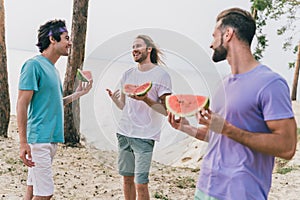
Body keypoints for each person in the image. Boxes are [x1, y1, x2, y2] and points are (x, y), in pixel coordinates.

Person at [168, 7, 297, 200]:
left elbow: (287, 147)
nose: (211, 44)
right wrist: (185, 127)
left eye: (214, 36)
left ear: (228, 34)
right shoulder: (223, 85)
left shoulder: (270, 83)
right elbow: (219, 137)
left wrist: (228, 129)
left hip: (240, 193)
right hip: (205, 189)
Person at [16, 19, 93, 200]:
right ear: (52, 39)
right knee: (45, 194)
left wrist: (78, 94)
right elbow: (22, 103)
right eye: (66, 38)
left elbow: (56, 102)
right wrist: (22, 143)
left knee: (33, 188)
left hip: (51, 139)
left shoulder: (53, 70)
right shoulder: (33, 65)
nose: (70, 43)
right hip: (39, 140)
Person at [106, 35, 172, 200]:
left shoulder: (162, 76)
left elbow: (166, 110)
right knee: (127, 179)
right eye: (133, 46)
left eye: (138, 46)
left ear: (149, 49)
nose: (134, 49)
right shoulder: (127, 74)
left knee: (141, 183)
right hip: (124, 133)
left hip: (145, 137)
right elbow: (124, 106)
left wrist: (146, 99)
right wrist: (115, 100)